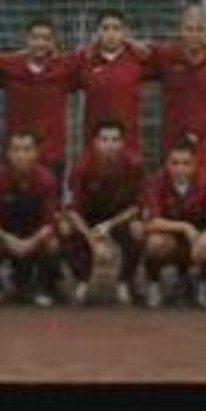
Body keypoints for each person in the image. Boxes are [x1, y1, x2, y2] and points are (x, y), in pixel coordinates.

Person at [0, 17, 80, 185]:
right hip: (16, 153)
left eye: (45, 38)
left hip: (52, 153)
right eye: (35, 38)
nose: (40, 43)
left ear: (53, 42)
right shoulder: (9, 65)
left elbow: (89, 54)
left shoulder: (65, 68)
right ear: (26, 40)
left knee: (51, 208)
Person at [61, 119, 146, 306]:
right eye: (104, 139)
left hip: (118, 219)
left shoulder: (134, 165)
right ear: (95, 142)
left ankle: (124, 281)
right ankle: (82, 280)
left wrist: (109, 226)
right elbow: (72, 211)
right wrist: (94, 243)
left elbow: (137, 206)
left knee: (138, 229)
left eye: (115, 140)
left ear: (123, 143)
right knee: (65, 228)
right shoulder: (81, 166)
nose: (109, 145)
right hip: (88, 219)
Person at [147, 5, 206, 186]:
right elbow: (136, 57)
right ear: (181, 30)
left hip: (204, 146)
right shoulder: (166, 56)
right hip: (172, 145)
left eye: (199, 29)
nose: (194, 35)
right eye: (189, 29)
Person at [142, 136, 206, 309]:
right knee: (153, 243)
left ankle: (205, 283)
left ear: (194, 164)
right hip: (171, 240)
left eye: (186, 163)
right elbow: (151, 221)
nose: (180, 168)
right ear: (167, 163)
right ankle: (154, 284)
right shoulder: (156, 182)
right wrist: (184, 227)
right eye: (175, 163)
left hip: (198, 241)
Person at [0, 130, 63, 307]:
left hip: (35, 236)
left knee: (54, 242)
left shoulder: (47, 179)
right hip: (6, 235)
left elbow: (50, 222)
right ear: (8, 153)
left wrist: (31, 242)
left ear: (36, 152)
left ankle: (44, 287)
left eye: (27, 149)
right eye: (16, 150)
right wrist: (8, 239)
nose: (21, 155)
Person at [76, 9, 154, 158]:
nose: (111, 33)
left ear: (124, 33)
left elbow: (163, 59)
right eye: (105, 28)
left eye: (116, 28)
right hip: (94, 147)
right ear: (97, 32)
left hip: (128, 146)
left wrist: (133, 44)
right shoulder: (85, 60)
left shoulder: (137, 59)